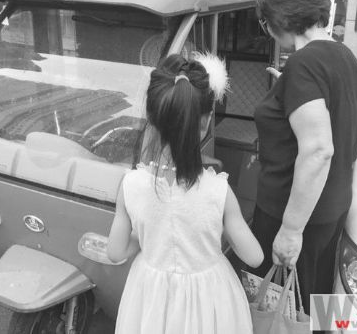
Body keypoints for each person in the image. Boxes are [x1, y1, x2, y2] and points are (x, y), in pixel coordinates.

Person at [108, 53, 263, 334]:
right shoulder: (219, 190)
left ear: (152, 118)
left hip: (151, 299)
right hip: (211, 302)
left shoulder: (130, 185)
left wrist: (147, 236)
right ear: (205, 122)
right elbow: (254, 257)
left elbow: (115, 252)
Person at [252, 0, 357, 310]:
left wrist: (290, 230)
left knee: (280, 312)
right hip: (329, 210)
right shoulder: (344, 56)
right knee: (315, 302)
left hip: (295, 214)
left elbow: (318, 150)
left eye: (264, 22)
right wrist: (287, 90)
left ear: (278, 18)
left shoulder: (304, 64)